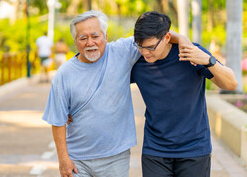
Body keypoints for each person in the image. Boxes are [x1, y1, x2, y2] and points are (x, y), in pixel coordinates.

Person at [42, 10, 188, 177]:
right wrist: (63, 159)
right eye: (83, 38)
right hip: (77, 160)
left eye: (95, 36)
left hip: (115, 158)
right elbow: (58, 120)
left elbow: (157, 36)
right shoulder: (64, 74)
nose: (90, 43)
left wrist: (182, 39)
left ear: (105, 35)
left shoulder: (122, 51)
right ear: (75, 41)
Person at [131, 11, 238, 177]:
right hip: (155, 150)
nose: (145, 53)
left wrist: (208, 61)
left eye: (151, 47)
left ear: (166, 38)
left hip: (194, 149)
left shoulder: (190, 52)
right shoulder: (137, 61)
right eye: (140, 46)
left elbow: (231, 83)